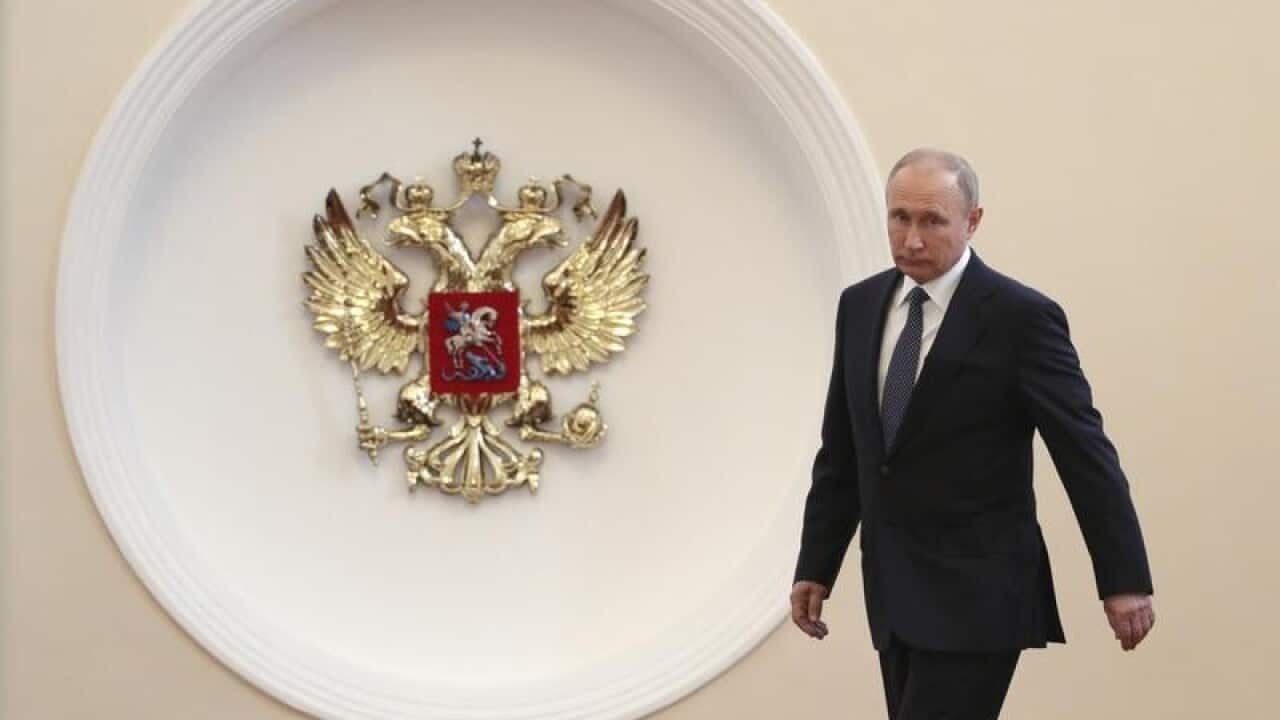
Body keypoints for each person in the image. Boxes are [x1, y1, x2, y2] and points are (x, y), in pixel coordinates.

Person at [791, 149, 1155, 719]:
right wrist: (816, 564)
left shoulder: (1021, 318)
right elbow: (843, 451)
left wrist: (1124, 579)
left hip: (980, 593)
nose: (911, 238)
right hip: (893, 590)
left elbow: (1085, 454)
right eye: (899, 218)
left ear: (973, 221)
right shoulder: (859, 307)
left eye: (932, 221)